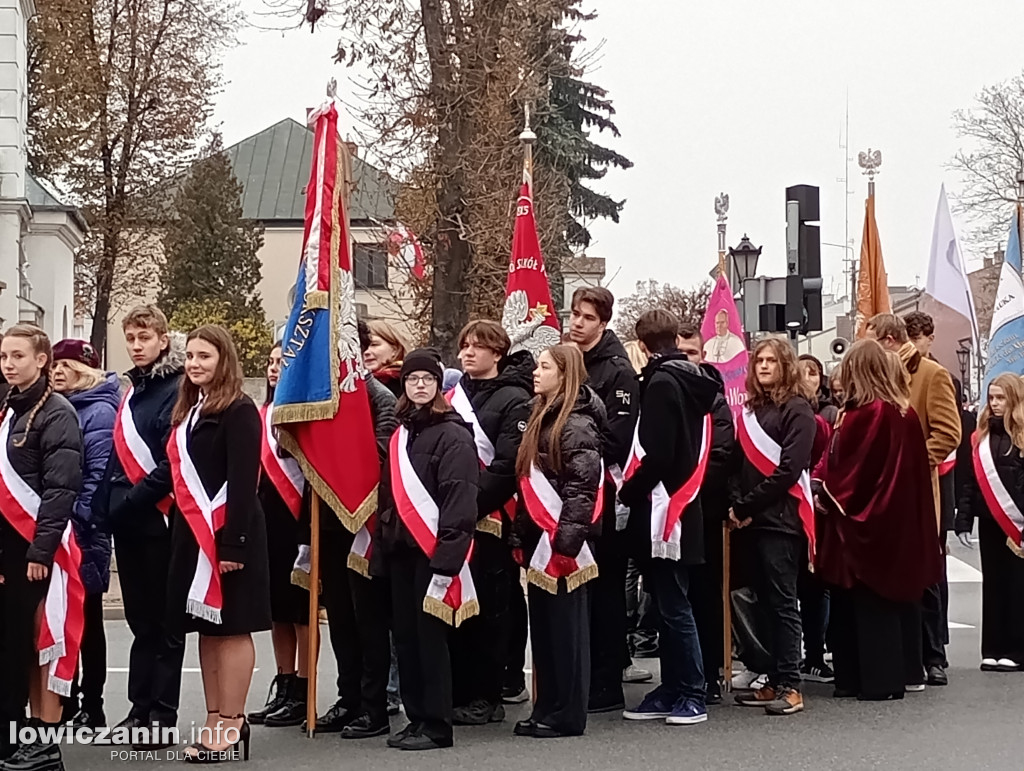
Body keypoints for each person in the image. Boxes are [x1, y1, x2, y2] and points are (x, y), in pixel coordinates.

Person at [812, 340, 943, 700]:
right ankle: (897, 673)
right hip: (898, 523)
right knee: (890, 601)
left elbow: (852, 472)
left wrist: (825, 493)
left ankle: (870, 679)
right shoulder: (901, 412)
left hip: (866, 523)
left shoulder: (868, 414)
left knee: (865, 603)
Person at [166, 325, 271, 762]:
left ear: (223, 360)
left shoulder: (240, 409)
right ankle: (213, 718)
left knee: (232, 627)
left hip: (230, 532)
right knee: (207, 629)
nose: (194, 364)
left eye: (204, 356)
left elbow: (245, 481)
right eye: (189, 356)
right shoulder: (192, 411)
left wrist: (234, 545)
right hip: (194, 535)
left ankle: (233, 722)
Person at [373, 349, 478, 751]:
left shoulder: (453, 434)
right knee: (406, 639)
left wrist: (447, 561)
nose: (419, 385)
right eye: (413, 379)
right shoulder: (402, 434)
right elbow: (389, 499)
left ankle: (437, 724)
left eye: (427, 380)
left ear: (438, 385)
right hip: (401, 551)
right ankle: (416, 718)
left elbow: (459, 500)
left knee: (430, 641)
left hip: (433, 554)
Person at [619, 311, 718, 727]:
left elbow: (659, 452)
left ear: (642, 346)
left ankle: (691, 690)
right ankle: (673, 687)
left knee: (674, 605)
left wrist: (629, 491)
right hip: (679, 506)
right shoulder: (692, 379)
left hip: (664, 509)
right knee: (666, 602)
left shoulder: (661, 383)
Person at [94, 305, 185, 743]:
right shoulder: (132, 390)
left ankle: (162, 716)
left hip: (160, 517)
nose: (136, 345)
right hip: (128, 521)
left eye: (144, 337)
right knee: (140, 622)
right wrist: (105, 507)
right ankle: (138, 710)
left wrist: (131, 502)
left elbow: (171, 460)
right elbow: (117, 454)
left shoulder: (177, 389)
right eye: (130, 337)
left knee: (166, 623)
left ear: (163, 340)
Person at [301, 320, 397, 737]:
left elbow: (382, 454)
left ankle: (374, 705)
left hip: (367, 521)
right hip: (331, 521)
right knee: (339, 616)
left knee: (368, 619)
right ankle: (348, 696)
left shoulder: (378, 397)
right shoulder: (321, 395)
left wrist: (338, 466)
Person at [0, 325, 84, 771]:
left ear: (41, 359)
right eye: (4, 357)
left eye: (17, 356)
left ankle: (46, 742)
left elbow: (60, 488)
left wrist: (40, 550)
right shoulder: (7, 409)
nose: (9, 364)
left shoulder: (57, 412)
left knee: (46, 643)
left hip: (41, 548)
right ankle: (25, 736)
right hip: (8, 548)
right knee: (21, 647)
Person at [511, 345, 604, 738]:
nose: (536, 372)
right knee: (545, 631)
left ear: (564, 375)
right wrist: (519, 534)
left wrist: (565, 543)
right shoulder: (541, 416)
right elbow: (527, 483)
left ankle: (566, 713)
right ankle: (546, 706)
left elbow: (582, 488)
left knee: (567, 632)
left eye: (545, 367)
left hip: (564, 546)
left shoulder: (576, 424)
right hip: (540, 540)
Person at [866, 313, 961, 687]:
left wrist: (909, 463)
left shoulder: (930, 374)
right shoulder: (876, 376)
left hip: (918, 490)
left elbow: (948, 432)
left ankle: (933, 654)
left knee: (926, 573)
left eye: (870, 340)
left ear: (889, 340)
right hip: (882, 493)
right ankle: (907, 655)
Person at [449, 321, 533, 725]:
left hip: (492, 517)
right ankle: (462, 688)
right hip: (454, 519)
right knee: (458, 603)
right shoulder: (454, 396)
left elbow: (507, 464)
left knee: (492, 607)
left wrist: (469, 505)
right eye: (464, 346)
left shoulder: (515, 398)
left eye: (477, 347)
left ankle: (490, 692)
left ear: (497, 353)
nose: (467, 353)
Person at [567, 287, 645, 713]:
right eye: (575, 315)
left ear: (603, 323)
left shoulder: (616, 371)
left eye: (587, 318)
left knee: (606, 589)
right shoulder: (570, 361)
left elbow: (617, 437)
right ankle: (588, 670)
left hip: (606, 491)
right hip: (572, 488)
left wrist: (572, 446)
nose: (577, 323)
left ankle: (606, 679)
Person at [731, 338, 816, 716]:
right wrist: (737, 503)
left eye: (771, 361)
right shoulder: (752, 410)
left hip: (781, 522)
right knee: (761, 603)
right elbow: (738, 463)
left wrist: (747, 504)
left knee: (783, 604)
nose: (764, 366)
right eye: (759, 361)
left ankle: (792, 685)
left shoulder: (797, 410)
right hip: (752, 521)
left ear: (785, 366)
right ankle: (771, 676)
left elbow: (788, 470)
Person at [51, 339, 120, 728]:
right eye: (55, 365)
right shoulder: (59, 407)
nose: (59, 372)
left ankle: (91, 704)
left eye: (68, 365)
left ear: (88, 369)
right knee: (61, 619)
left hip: (82, 530)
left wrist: (77, 520)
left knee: (88, 621)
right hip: (61, 528)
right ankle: (64, 699)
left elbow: (97, 475)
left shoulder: (98, 412)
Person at [247, 343, 310, 728]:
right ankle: (284, 683)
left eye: (281, 363)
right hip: (266, 522)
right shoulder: (260, 415)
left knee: (300, 610)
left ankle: (303, 688)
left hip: (297, 522)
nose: (273, 370)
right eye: (270, 363)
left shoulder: (303, 417)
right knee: (277, 611)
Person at [676, 324, 735, 704]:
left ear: (703, 357)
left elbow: (722, 451)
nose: (686, 361)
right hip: (666, 511)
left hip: (703, 508)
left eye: (692, 354)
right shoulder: (662, 392)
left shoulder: (715, 399)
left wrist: (689, 486)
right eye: (679, 354)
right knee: (670, 597)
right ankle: (680, 674)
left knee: (704, 594)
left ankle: (710, 672)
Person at [955, 373, 1024, 672]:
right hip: (990, 521)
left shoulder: (1021, 435)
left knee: (1017, 586)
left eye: (1001, 398)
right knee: (993, 585)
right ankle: (993, 648)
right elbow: (971, 483)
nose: (995, 404)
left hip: (1018, 524)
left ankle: (1017, 650)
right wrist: (963, 519)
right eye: (992, 397)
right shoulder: (980, 437)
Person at [796, 353, 835, 685]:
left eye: (813, 372)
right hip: (792, 508)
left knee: (814, 587)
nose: (807, 377)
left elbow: (823, 458)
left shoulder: (823, 418)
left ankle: (814, 654)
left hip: (810, 505)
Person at [364, 321, 410, 398]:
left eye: (374, 344)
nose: (366, 352)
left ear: (394, 350)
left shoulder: (408, 383)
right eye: (362, 346)